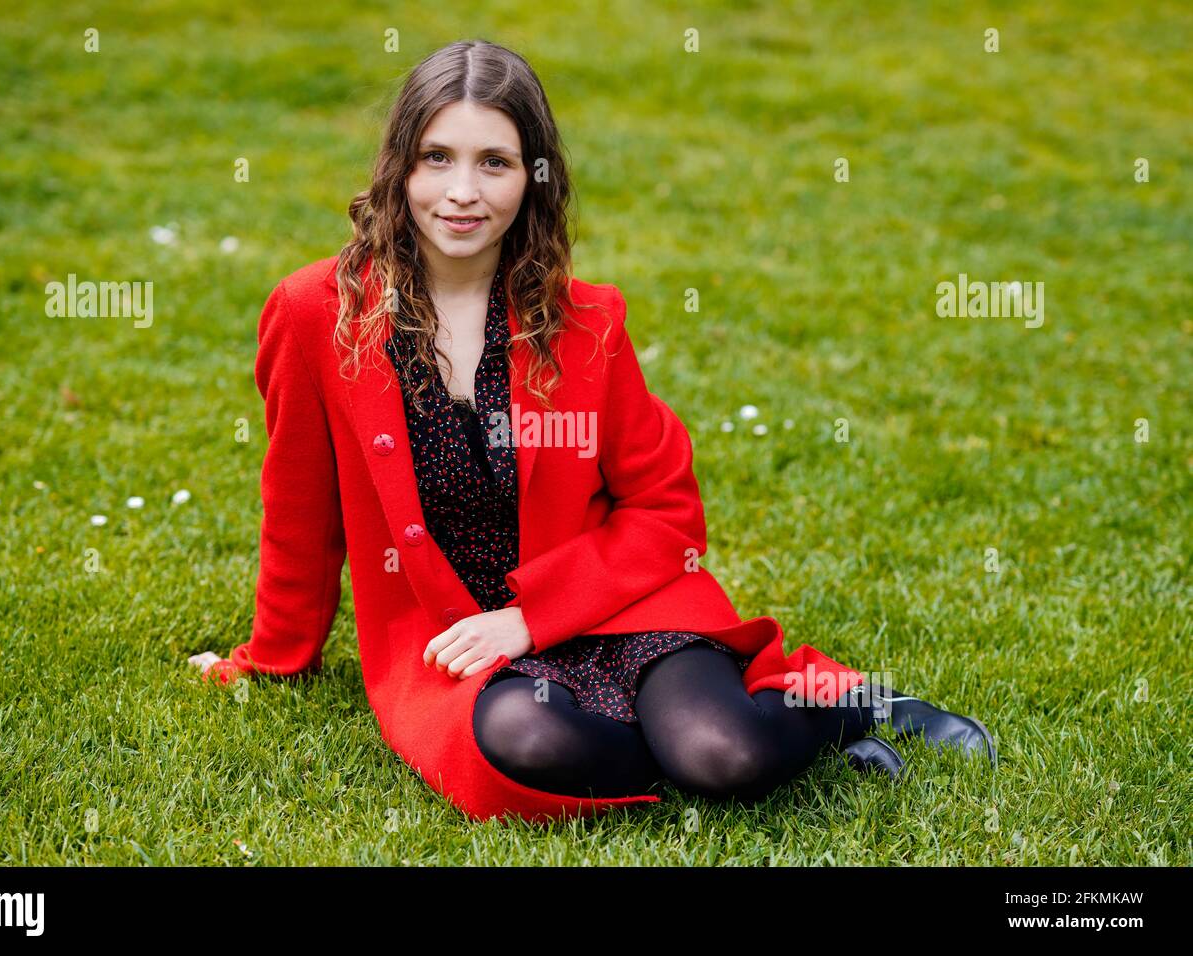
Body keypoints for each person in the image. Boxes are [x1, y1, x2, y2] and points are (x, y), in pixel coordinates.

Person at [189, 39, 994, 821]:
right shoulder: (316, 315)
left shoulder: (585, 322)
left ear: (533, 179)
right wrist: (273, 658)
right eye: (437, 157)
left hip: (614, 610)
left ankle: (841, 713)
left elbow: (666, 515)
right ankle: (727, 739)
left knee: (724, 755)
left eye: (494, 162)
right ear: (398, 164)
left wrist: (533, 618)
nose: (461, 191)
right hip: (460, 648)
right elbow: (299, 506)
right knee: (521, 736)